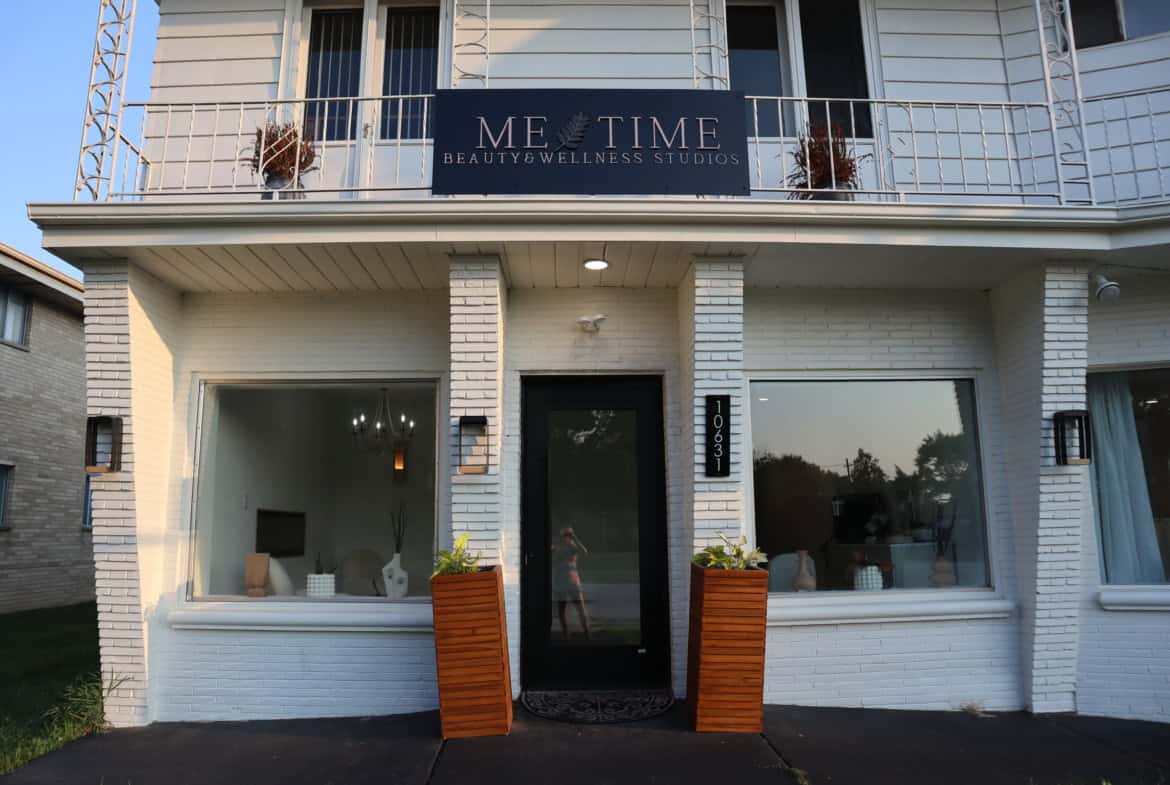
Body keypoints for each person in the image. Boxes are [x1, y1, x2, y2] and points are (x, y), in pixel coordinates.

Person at [551, 526, 591, 640]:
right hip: (560, 583)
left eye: (568, 535)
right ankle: (566, 635)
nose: (565, 538)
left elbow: (584, 552)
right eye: (564, 535)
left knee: (581, 609)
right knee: (561, 610)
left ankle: (587, 633)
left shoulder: (573, 548)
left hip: (572, 581)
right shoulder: (557, 547)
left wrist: (575, 537)